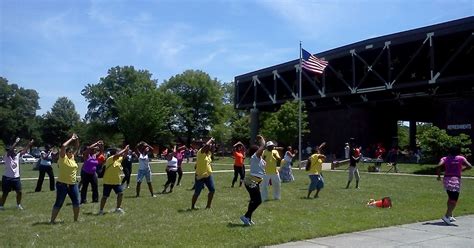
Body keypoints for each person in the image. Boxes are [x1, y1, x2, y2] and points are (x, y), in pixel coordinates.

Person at [436, 146, 472, 225]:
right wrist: (463, 169)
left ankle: (450, 215)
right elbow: (470, 166)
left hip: (446, 180)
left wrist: (438, 176)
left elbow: (438, 166)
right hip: (455, 180)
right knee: (454, 199)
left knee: (450, 197)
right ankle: (446, 216)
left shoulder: (444, 158)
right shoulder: (461, 158)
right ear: (458, 152)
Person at [50, 133, 80, 223]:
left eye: (72, 152)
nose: (71, 153)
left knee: (76, 202)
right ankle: (52, 221)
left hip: (73, 184)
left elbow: (77, 147)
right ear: (66, 153)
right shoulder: (63, 158)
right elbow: (63, 146)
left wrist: (77, 139)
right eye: (69, 152)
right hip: (62, 184)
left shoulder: (73, 158)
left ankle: (75, 220)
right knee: (59, 203)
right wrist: (71, 139)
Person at [0, 137, 34, 210]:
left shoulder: (17, 156)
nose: (15, 151)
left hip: (16, 178)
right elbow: (10, 150)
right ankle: (1, 206)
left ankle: (18, 205)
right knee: (5, 193)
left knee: (19, 192)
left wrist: (29, 144)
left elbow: (24, 151)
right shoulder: (6, 156)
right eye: (14, 150)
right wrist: (16, 142)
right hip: (7, 178)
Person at [240, 135, 266, 226]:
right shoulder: (255, 157)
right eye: (259, 150)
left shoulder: (259, 159)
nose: (261, 151)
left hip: (254, 181)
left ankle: (248, 218)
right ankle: (246, 216)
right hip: (251, 181)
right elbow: (263, 146)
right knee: (258, 200)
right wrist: (262, 140)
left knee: (253, 200)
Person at [99, 145, 130, 215]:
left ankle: (118, 208)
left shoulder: (118, 159)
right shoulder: (110, 159)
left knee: (120, 194)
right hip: (108, 182)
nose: (119, 153)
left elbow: (124, 156)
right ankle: (101, 210)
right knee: (105, 196)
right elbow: (118, 155)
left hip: (116, 181)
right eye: (118, 152)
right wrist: (124, 149)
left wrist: (127, 150)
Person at [191, 137, 215, 210]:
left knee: (212, 190)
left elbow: (208, 161)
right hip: (200, 176)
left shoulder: (209, 154)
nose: (211, 147)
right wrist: (211, 140)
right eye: (210, 146)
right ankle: (192, 206)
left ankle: (208, 206)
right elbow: (206, 146)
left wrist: (213, 144)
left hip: (208, 175)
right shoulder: (200, 152)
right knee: (197, 192)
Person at [79, 140, 103, 204]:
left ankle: (95, 199)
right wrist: (96, 143)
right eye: (92, 149)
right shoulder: (86, 155)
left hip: (93, 173)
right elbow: (89, 148)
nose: (94, 150)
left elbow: (101, 151)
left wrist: (101, 146)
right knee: (85, 187)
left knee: (95, 186)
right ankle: (83, 200)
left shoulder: (95, 155)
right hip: (85, 173)